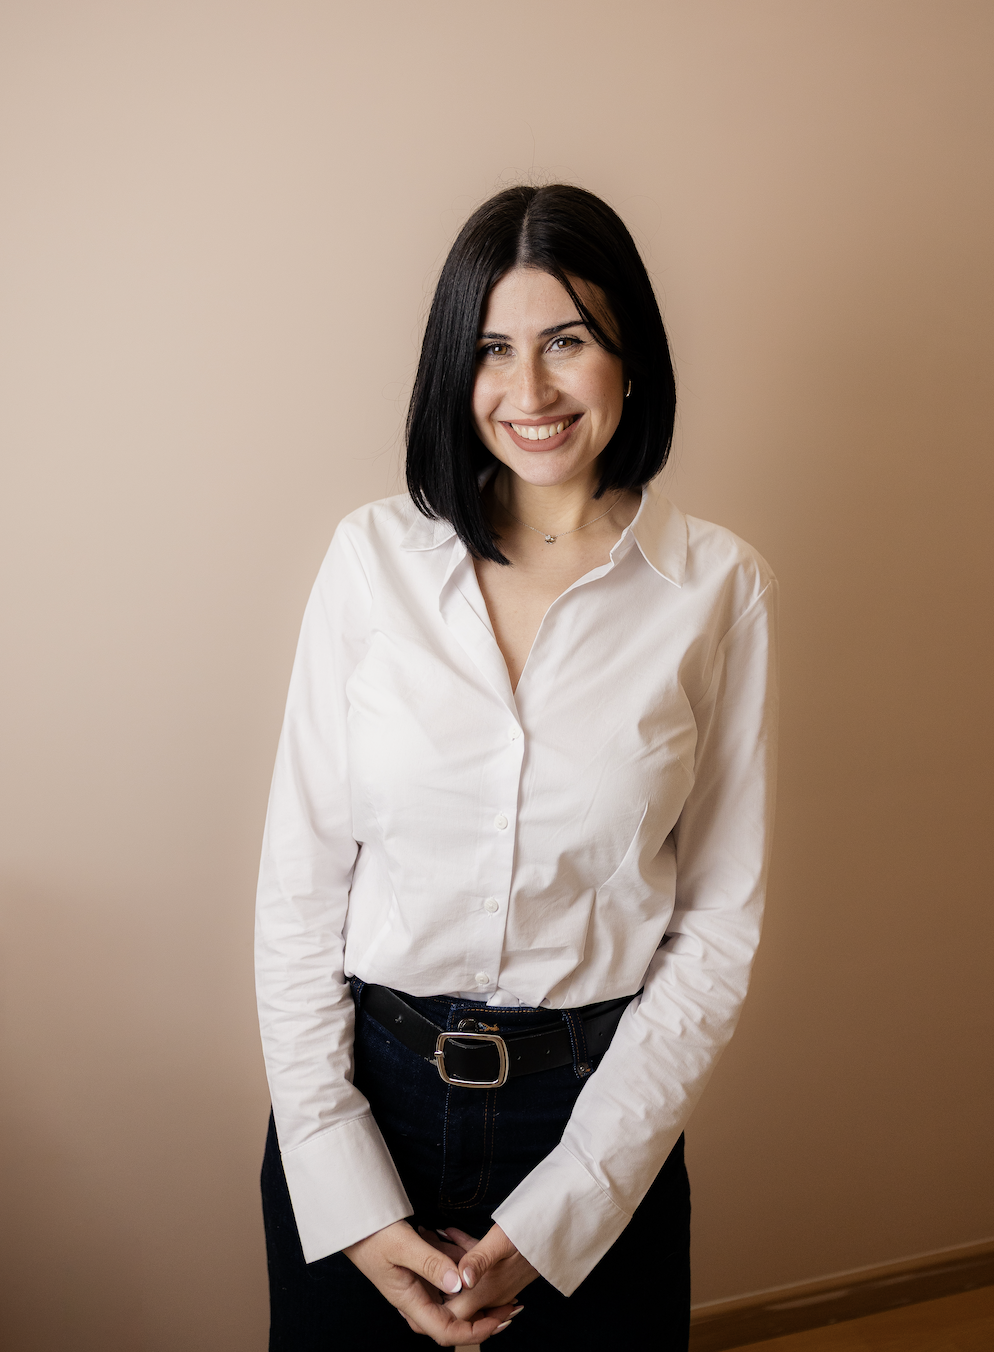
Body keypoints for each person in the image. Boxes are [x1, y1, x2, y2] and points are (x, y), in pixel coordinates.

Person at [255, 184, 778, 1350]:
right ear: (456, 365)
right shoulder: (369, 560)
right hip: (363, 1097)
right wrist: (340, 1180)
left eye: (567, 342)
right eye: (493, 348)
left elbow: (717, 929)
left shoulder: (718, 589)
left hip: (594, 1114)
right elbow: (298, 890)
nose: (528, 390)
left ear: (629, 358)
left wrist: (568, 1206)